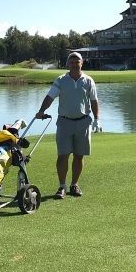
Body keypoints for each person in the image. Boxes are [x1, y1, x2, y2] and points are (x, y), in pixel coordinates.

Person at [35, 52, 101, 199]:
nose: (74, 64)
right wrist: (41, 111)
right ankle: (62, 186)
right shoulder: (61, 80)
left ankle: (74, 184)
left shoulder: (88, 81)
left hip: (83, 122)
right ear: (68, 64)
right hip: (64, 122)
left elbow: (94, 101)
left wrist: (97, 119)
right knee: (62, 156)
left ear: (82, 63)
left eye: (77, 62)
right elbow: (50, 97)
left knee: (79, 155)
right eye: (71, 62)